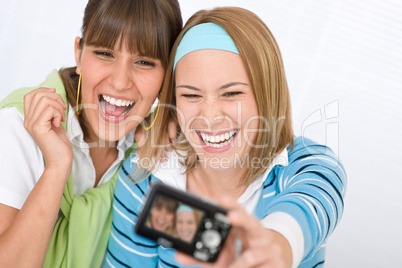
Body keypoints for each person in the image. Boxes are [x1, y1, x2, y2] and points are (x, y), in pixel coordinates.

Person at [106, 6, 347, 268]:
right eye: (191, 95)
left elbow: (313, 201)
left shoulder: (306, 163)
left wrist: (278, 243)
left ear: (267, 93)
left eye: (232, 94)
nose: (210, 117)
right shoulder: (144, 176)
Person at [0, 0, 182, 267]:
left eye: (143, 62)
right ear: (79, 54)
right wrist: (57, 167)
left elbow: (194, 247)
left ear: (167, 75)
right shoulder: (19, 127)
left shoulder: (152, 148)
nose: (120, 82)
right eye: (105, 54)